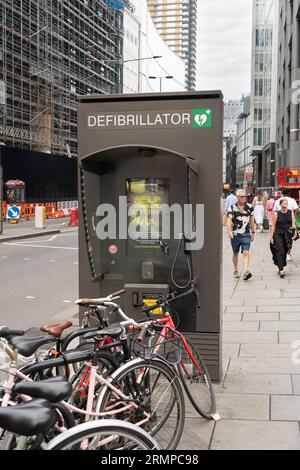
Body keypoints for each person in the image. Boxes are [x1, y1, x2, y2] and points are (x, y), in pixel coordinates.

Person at [227, 189, 255, 281]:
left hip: (246, 234)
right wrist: (230, 231)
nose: (243, 198)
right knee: (235, 253)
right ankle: (236, 270)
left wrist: (253, 232)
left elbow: (251, 220)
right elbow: (228, 220)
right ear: (237, 197)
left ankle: (246, 271)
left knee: (246, 252)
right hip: (235, 235)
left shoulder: (250, 207)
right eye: (241, 196)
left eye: (244, 196)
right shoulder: (232, 207)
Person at [270, 198, 297, 278]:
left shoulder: (290, 212)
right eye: (284, 203)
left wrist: (295, 232)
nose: (285, 205)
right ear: (280, 205)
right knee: (280, 250)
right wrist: (271, 237)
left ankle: (280, 266)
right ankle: (281, 270)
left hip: (287, 235)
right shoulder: (276, 214)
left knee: (285, 251)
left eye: (286, 203)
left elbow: (293, 223)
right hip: (278, 234)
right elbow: (273, 226)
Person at [274, 188, 300, 261]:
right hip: (289, 221)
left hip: (279, 222)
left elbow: (274, 212)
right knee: (290, 238)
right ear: (289, 193)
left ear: (282, 193)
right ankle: (288, 253)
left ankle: (282, 252)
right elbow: (297, 211)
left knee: (280, 237)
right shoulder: (292, 200)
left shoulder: (277, 201)